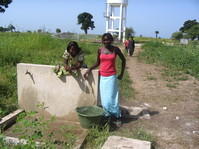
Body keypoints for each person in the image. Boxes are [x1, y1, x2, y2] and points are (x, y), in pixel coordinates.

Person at [84, 33, 126, 127]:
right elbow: (97, 63)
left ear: (111, 40)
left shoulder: (115, 49)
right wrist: (89, 69)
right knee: (104, 99)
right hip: (103, 77)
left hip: (111, 77)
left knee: (112, 98)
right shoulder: (100, 50)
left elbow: (124, 60)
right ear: (102, 41)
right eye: (104, 40)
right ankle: (107, 116)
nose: (106, 41)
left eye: (108, 40)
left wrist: (122, 74)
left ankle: (117, 116)